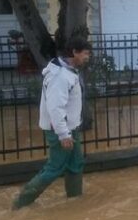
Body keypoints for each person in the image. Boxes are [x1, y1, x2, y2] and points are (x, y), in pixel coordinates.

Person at [13, 37, 92, 209]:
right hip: (60, 130)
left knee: (75, 164)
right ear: (74, 53)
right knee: (54, 168)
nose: (88, 57)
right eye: (85, 54)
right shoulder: (60, 77)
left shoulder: (69, 71)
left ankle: (75, 200)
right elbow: (55, 108)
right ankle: (21, 204)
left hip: (70, 128)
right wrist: (63, 134)